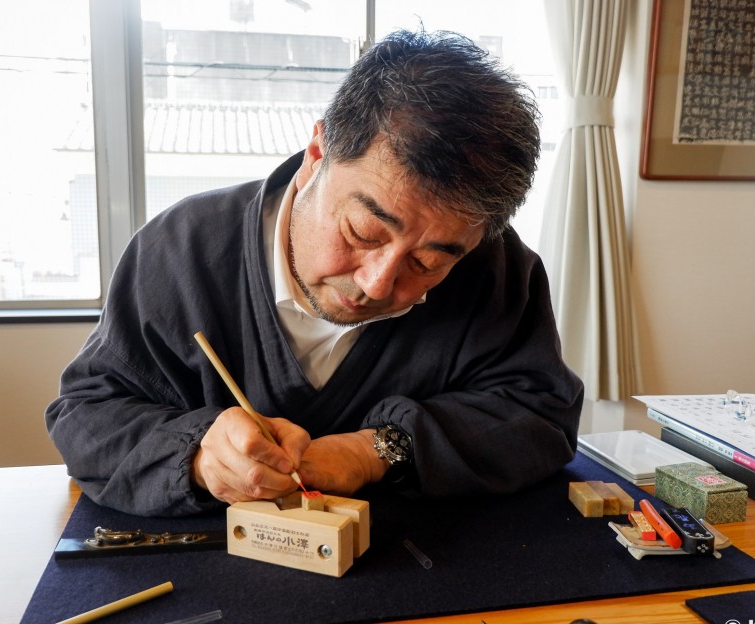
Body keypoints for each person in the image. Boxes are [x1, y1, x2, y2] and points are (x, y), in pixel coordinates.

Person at [46, 28, 584, 517]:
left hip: (420, 585)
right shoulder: (181, 249)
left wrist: (376, 450)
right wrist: (197, 453)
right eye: (363, 232)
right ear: (316, 154)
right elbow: (88, 416)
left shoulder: (495, 269)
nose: (378, 285)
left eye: (427, 263)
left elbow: (539, 417)